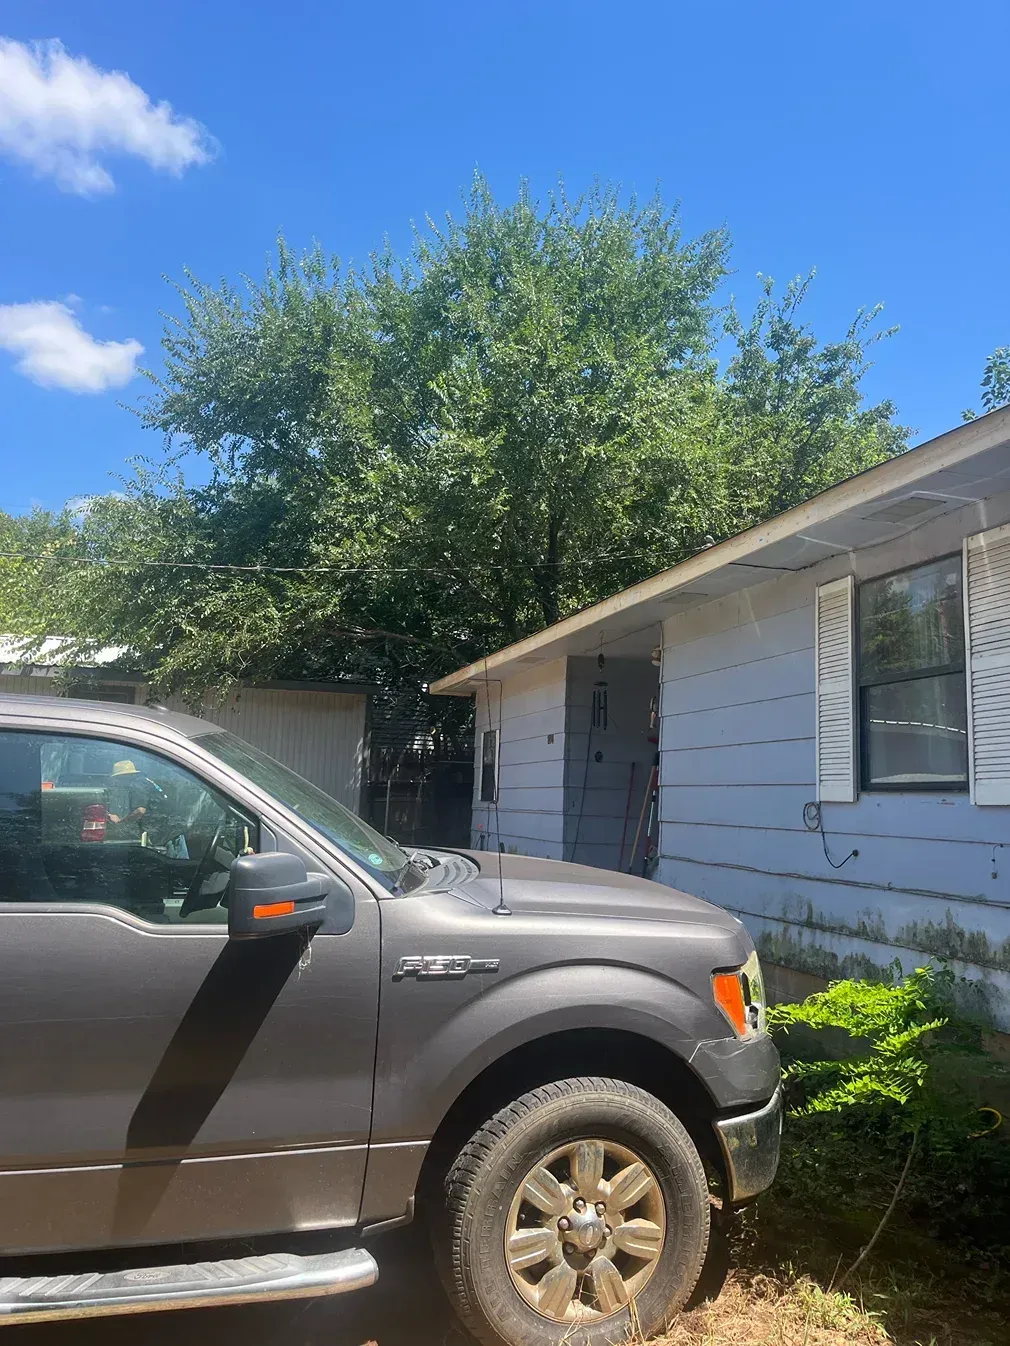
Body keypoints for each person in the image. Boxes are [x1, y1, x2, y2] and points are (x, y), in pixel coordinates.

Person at [106, 760, 163, 843]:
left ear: (124, 776)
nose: (117, 781)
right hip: (166, 824)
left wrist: (121, 822)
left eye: (118, 778)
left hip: (158, 827)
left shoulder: (136, 785)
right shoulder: (144, 781)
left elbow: (140, 811)